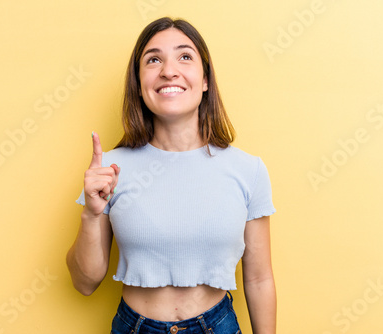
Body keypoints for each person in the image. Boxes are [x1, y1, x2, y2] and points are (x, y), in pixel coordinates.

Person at [66, 17, 276, 334]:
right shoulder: (108, 170)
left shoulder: (248, 170)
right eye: (153, 59)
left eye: (185, 56)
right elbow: (84, 282)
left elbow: (259, 279)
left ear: (205, 80)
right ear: (139, 83)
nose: (168, 70)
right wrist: (92, 214)